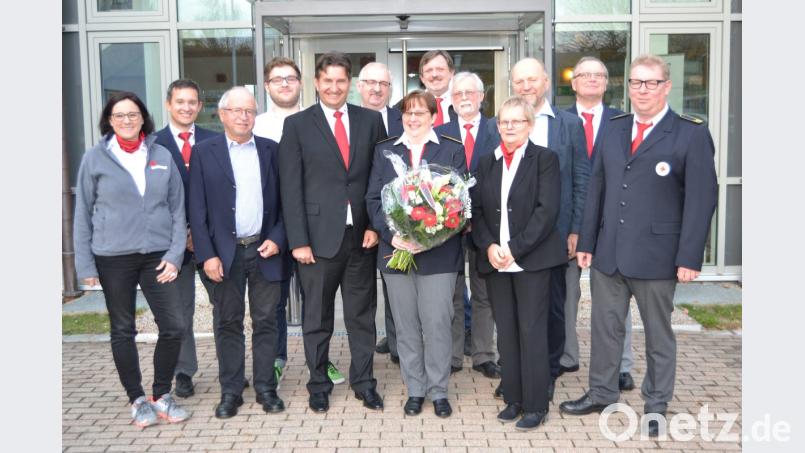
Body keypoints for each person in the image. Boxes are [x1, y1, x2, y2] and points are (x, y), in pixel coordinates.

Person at [559, 54, 718, 438]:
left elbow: (701, 199)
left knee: (658, 334)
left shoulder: (690, 132)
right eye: (635, 83)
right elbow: (597, 185)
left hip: (658, 257)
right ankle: (601, 392)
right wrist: (588, 240)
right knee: (604, 328)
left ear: (666, 86)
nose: (641, 90)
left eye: (650, 83)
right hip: (609, 253)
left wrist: (689, 256)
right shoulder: (615, 127)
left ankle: (657, 403)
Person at [279, 52, 387, 413]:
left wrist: (375, 224)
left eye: (341, 81)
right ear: (316, 83)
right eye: (328, 81)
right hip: (315, 241)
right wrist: (298, 241)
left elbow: (381, 179)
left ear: (350, 84)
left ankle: (364, 382)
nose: (335, 87)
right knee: (317, 318)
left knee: (361, 316)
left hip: (361, 238)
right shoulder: (297, 125)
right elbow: (290, 188)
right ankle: (318, 384)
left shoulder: (370, 121)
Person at [74, 92, 189, 428]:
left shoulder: (162, 155)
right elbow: (82, 213)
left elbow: (177, 210)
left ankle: (161, 394)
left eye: (133, 114)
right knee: (123, 330)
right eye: (120, 115)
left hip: (157, 256)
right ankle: (137, 399)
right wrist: (85, 265)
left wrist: (174, 256)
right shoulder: (95, 159)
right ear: (109, 120)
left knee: (174, 326)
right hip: (113, 257)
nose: (127, 120)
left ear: (143, 118)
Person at [188, 87, 290, 419]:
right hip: (224, 255)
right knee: (228, 322)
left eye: (249, 111)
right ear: (222, 115)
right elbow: (197, 209)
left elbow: (287, 204)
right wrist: (207, 255)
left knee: (266, 321)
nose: (244, 117)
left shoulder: (272, 150)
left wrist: (277, 238)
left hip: (265, 251)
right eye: (237, 111)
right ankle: (231, 390)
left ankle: (265, 388)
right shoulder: (205, 152)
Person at [366, 90, 467, 418]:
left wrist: (430, 237)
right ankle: (416, 389)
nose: (412, 119)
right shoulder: (384, 151)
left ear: (433, 116)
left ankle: (438, 391)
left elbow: (459, 204)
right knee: (406, 325)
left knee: (437, 323)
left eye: (420, 113)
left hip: (438, 254)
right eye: (407, 113)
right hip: (396, 254)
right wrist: (393, 235)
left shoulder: (451, 149)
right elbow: (373, 199)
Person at [471, 95, 565, 431]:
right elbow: (476, 211)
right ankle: (513, 397)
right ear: (497, 126)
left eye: (517, 121)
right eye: (504, 122)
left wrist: (514, 248)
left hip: (532, 261)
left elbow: (546, 212)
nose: (510, 127)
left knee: (532, 331)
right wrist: (490, 246)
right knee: (507, 331)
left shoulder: (545, 160)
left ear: (530, 125)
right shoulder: (486, 162)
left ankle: (536, 405)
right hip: (496, 261)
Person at [510, 57, 590, 400]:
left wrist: (576, 230)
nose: (526, 86)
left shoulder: (568, 125)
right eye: (519, 81)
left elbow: (581, 180)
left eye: (532, 80)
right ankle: (520, 373)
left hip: (556, 237)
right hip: (513, 237)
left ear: (545, 81)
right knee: (517, 311)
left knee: (554, 308)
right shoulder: (502, 123)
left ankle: (550, 370)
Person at [561, 57, 635, 392]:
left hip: (613, 220)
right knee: (565, 292)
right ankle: (565, 355)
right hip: (572, 221)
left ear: (607, 83)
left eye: (599, 75)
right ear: (573, 83)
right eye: (585, 75)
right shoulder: (558, 121)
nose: (592, 79)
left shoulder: (624, 120)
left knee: (617, 298)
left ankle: (621, 365)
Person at [252, 57, 327, 386]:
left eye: (291, 78)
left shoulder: (318, 120)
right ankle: (278, 357)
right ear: (267, 86)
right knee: (275, 299)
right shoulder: (254, 126)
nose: (285, 84)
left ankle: (319, 361)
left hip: (313, 226)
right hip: (272, 230)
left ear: (302, 83)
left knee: (316, 298)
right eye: (277, 79)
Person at [153, 79, 218, 398]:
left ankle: (230, 369)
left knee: (225, 308)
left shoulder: (215, 140)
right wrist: (183, 235)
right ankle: (184, 371)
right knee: (180, 313)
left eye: (193, 101)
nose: (187, 107)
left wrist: (201, 234)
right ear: (169, 104)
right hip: (172, 244)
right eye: (180, 101)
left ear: (200, 106)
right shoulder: (153, 144)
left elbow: (218, 195)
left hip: (211, 244)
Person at [434, 71, 501, 378]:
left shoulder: (498, 128)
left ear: (481, 97)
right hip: (449, 227)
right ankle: (453, 354)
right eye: (458, 93)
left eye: (470, 93)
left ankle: (484, 354)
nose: (464, 98)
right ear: (450, 98)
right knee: (452, 292)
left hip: (488, 225)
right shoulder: (440, 131)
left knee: (485, 291)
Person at [356, 61, 402, 364]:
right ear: (359, 87)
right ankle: (369, 342)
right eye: (370, 82)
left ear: (390, 88)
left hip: (398, 224)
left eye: (382, 84)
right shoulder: (349, 119)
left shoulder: (405, 118)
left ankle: (399, 345)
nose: (376, 89)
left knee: (397, 287)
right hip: (355, 222)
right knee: (361, 292)